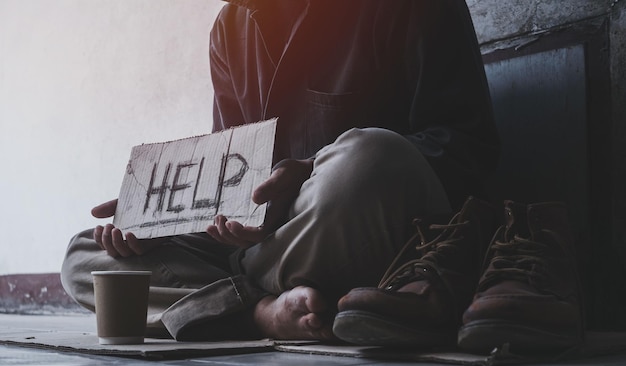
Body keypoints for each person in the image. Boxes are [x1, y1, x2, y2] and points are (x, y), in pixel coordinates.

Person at [61, 0, 499, 342]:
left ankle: (229, 303)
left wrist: (311, 170)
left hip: (346, 222)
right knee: (84, 257)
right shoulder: (228, 30)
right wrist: (162, 218)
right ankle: (262, 312)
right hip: (269, 246)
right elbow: (231, 183)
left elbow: (465, 151)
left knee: (370, 158)